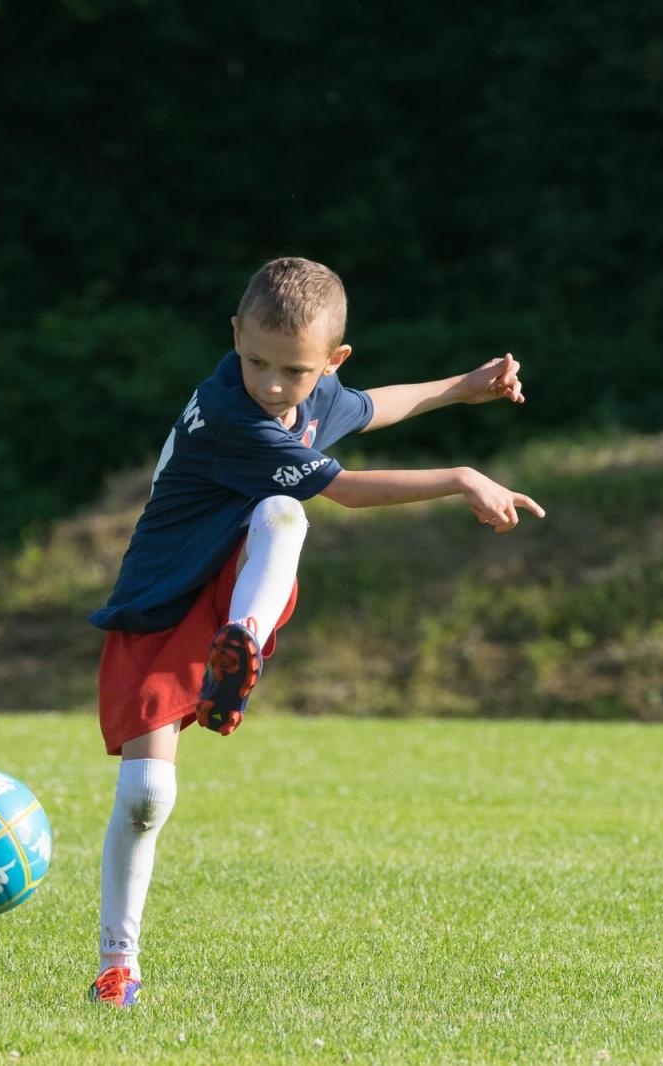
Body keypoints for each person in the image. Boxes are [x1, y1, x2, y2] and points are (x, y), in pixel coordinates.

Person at [87, 256, 543, 1007]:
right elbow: (354, 492)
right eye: (255, 361)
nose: (270, 384)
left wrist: (461, 388)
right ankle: (117, 966)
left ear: (330, 362)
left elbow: (366, 407)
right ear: (234, 336)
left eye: (293, 372)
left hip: (232, 588)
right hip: (162, 599)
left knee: (282, 514)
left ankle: (242, 643)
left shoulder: (311, 390)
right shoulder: (234, 415)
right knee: (144, 796)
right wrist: (463, 475)